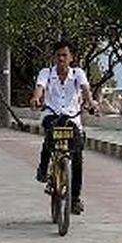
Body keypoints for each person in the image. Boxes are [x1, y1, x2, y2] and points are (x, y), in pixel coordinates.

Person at [31, 40, 97, 214]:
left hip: (71, 118)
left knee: (77, 157)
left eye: (64, 55)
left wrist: (91, 104)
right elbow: (40, 88)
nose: (61, 58)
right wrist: (37, 99)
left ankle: (75, 198)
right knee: (49, 138)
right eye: (58, 55)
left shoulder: (78, 74)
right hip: (51, 114)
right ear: (54, 57)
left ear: (71, 58)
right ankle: (43, 168)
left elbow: (85, 90)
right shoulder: (46, 73)